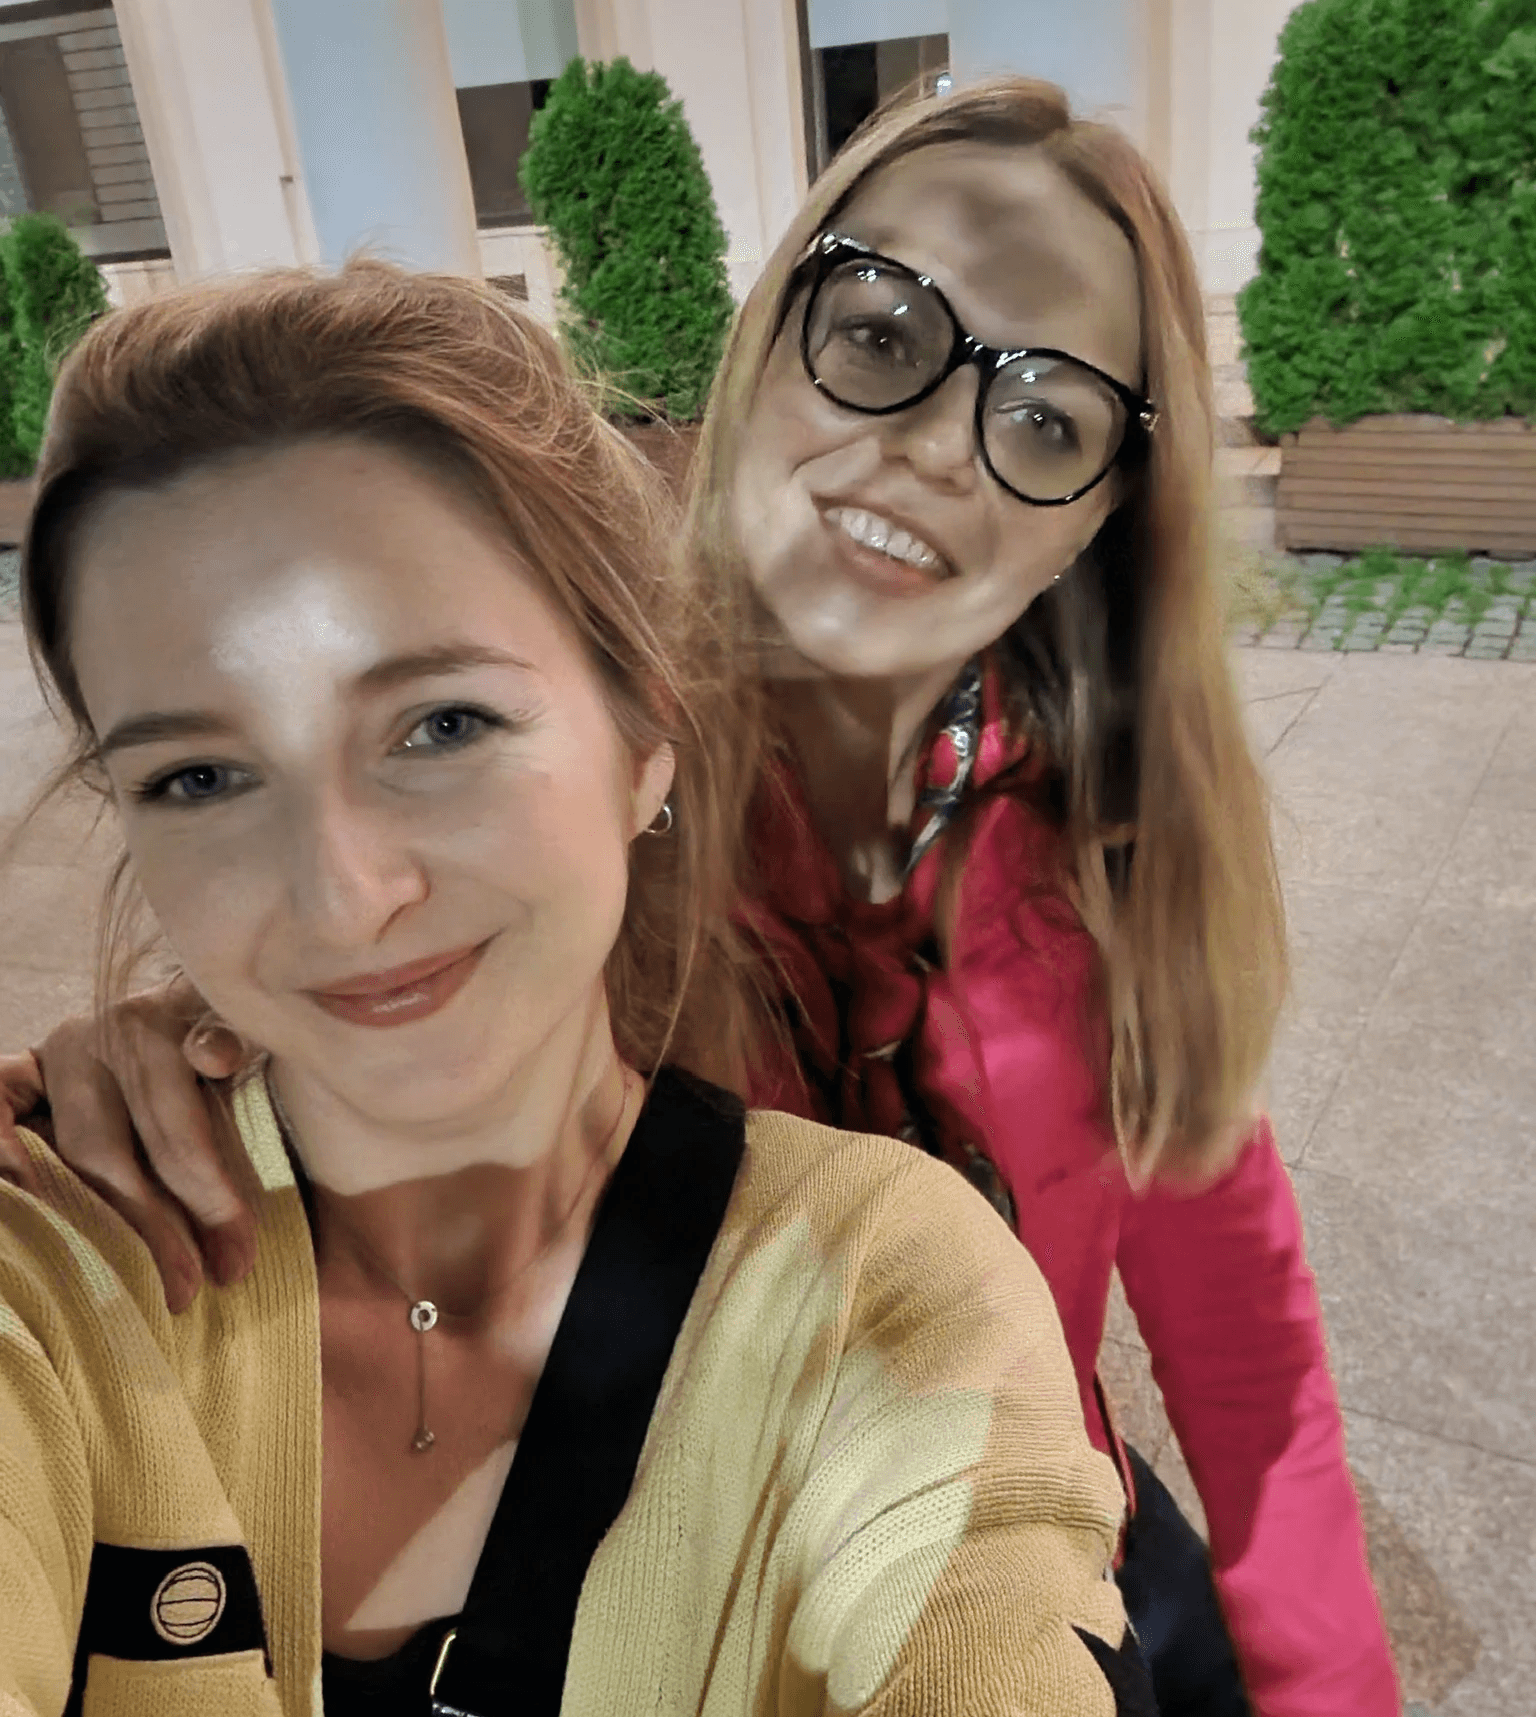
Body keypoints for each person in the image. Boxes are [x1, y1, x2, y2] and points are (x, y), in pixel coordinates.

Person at [1, 78, 1399, 1715]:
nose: (932, 446)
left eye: (1045, 420)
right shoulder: (566, 794)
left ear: (1102, 511)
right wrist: (173, 1051)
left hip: (1042, 1544)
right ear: (766, 341)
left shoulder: (1128, 854)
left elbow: (1249, 1366)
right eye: (880, 333)